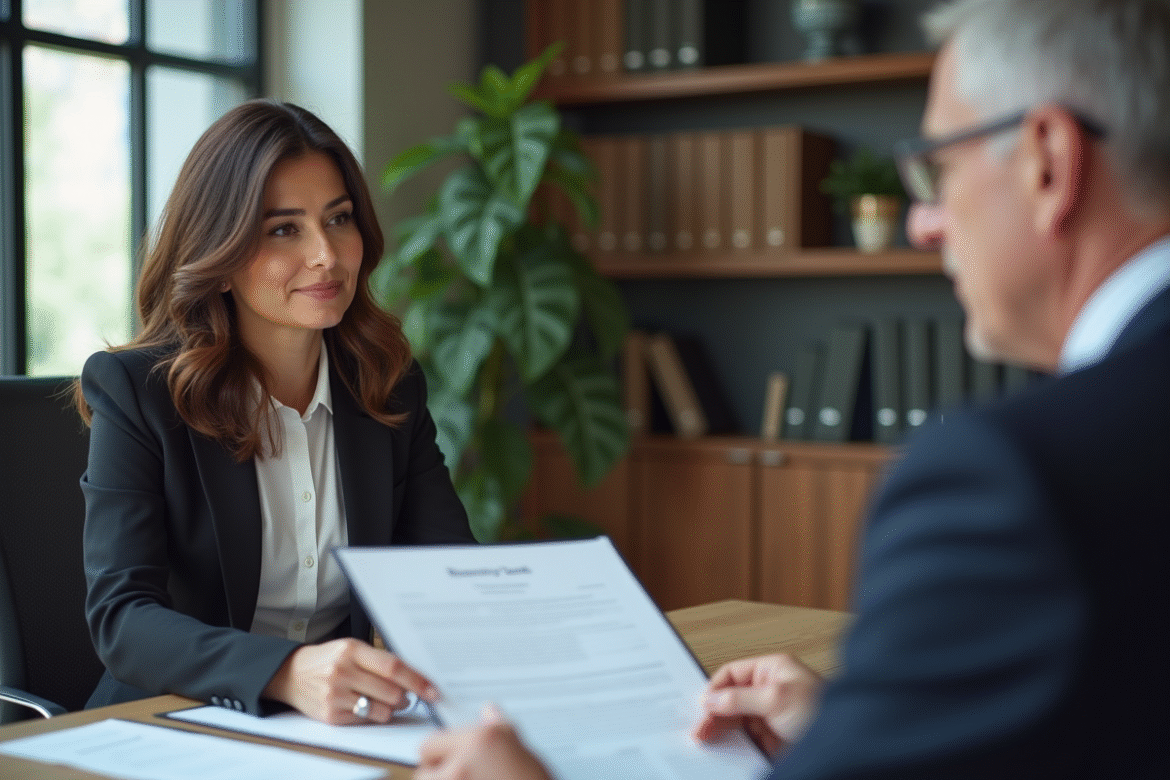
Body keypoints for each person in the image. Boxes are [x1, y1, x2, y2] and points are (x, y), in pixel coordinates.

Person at [413, 0, 1170, 776]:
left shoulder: (1011, 479)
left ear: (1048, 159)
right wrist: (860, 732)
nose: (923, 224)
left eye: (937, 169)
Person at [76, 99, 476, 724]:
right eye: (284, 228)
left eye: (338, 219)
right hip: (173, 721)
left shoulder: (387, 384)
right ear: (221, 255)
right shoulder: (140, 391)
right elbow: (122, 619)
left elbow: (447, 577)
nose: (327, 254)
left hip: (338, 729)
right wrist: (287, 671)